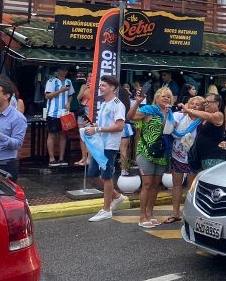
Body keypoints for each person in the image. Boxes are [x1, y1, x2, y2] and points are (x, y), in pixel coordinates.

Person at [129, 87, 175, 229]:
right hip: (146, 151)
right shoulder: (149, 109)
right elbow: (131, 117)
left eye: (168, 97)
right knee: (147, 184)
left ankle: (150, 212)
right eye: (163, 96)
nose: (166, 98)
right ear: (156, 98)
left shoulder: (171, 114)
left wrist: (168, 115)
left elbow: (168, 131)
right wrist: (137, 103)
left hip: (161, 153)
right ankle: (142, 215)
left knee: (156, 185)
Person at [84, 75, 127, 222]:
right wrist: (94, 127)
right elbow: (101, 124)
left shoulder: (117, 104)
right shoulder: (103, 104)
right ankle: (116, 196)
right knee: (93, 174)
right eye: (100, 85)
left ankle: (106, 209)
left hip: (109, 146)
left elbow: (120, 126)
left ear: (113, 88)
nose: (101, 88)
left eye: (104, 85)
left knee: (107, 176)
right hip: (99, 145)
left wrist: (98, 129)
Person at [165, 95, 205, 224]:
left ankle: (189, 214)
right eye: (191, 103)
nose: (193, 106)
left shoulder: (203, 120)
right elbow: (169, 127)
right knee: (176, 184)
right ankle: (175, 213)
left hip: (193, 157)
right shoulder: (180, 115)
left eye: (197, 104)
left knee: (191, 186)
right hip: (178, 155)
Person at [188, 93, 226, 172]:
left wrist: (189, 110)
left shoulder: (219, 115)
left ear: (217, 103)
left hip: (213, 158)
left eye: (208, 102)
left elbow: (210, 117)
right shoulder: (204, 116)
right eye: (205, 102)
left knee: (211, 182)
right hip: (201, 157)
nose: (206, 104)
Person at [44, 65, 74, 167]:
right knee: (52, 134)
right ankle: (51, 159)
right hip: (53, 112)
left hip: (64, 113)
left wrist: (69, 102)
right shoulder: (52, 81)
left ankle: (61, 158)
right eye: (62, 69)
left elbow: (71, 95)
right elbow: (47, 96)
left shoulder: (69, 82)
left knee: (62, 135)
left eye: (66, 69)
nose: (64, 71)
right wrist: (60, 91)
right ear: (57, 70)